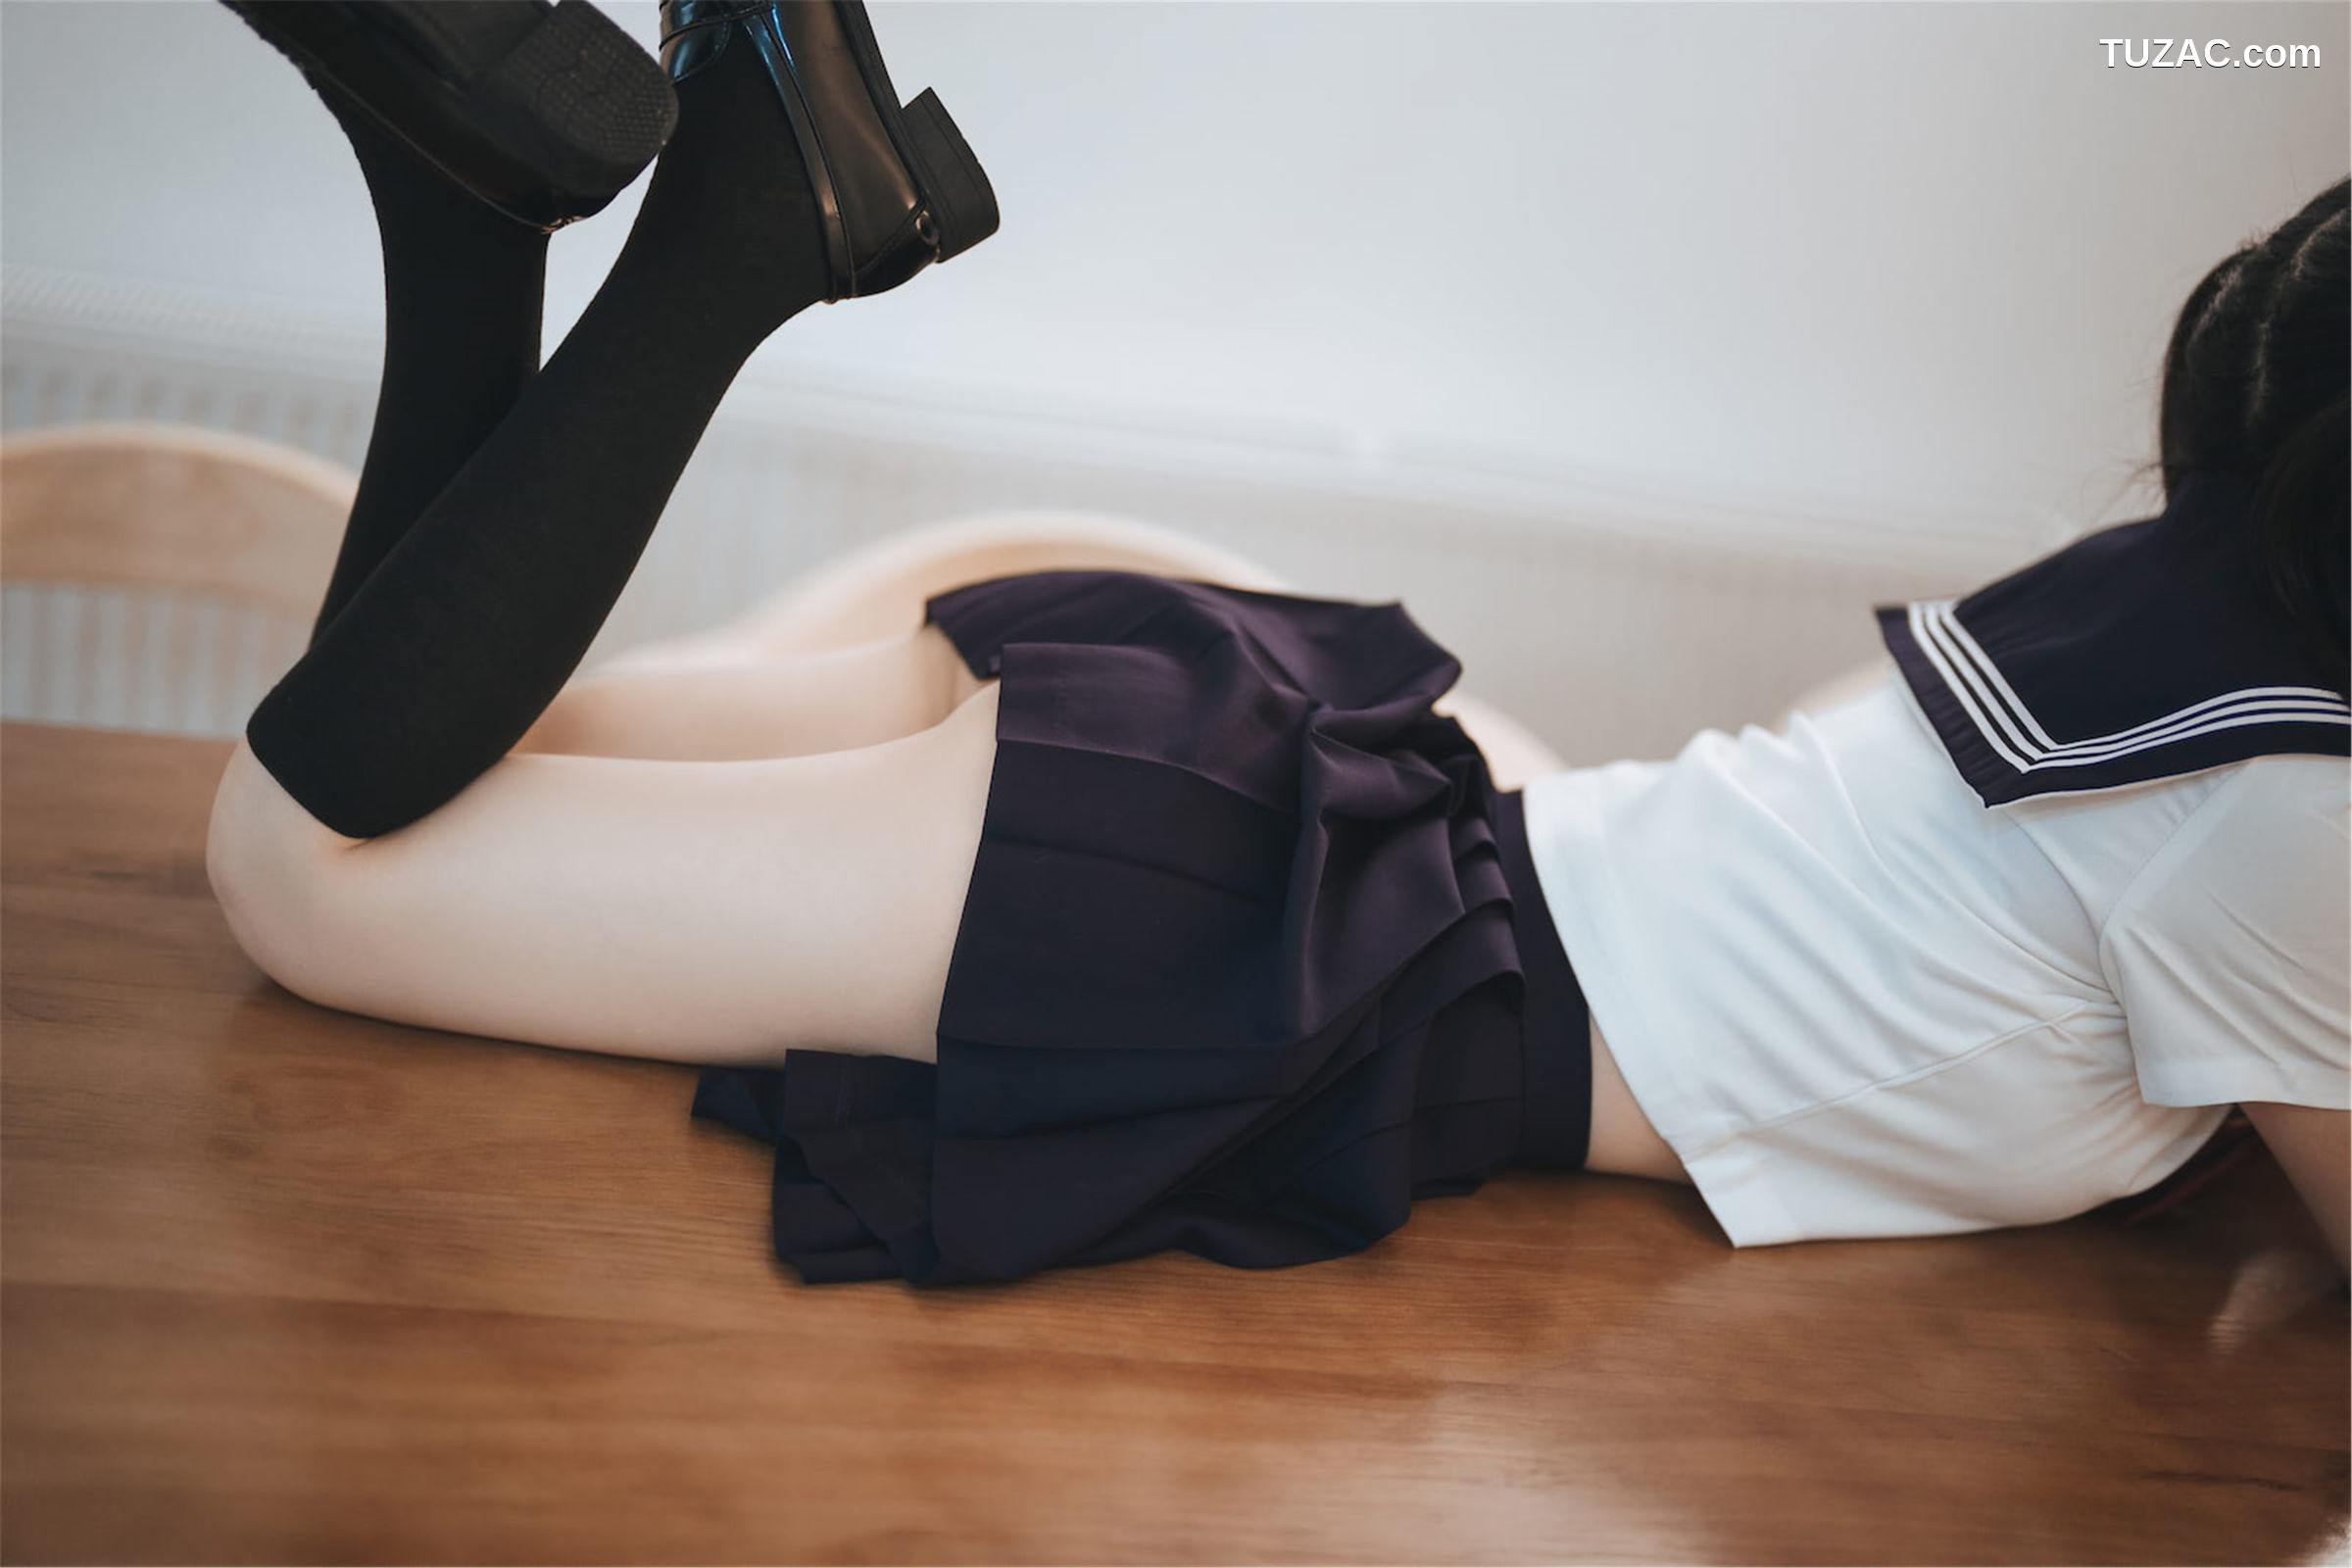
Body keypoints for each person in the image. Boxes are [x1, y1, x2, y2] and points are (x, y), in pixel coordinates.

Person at [203, 0, 2350, 1288]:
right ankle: (737, 228)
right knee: (303, 874)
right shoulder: (2297, 818)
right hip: (1226, 912)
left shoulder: (2184, 600)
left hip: (1300, 790)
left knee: (427, 755)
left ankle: (463, 206)